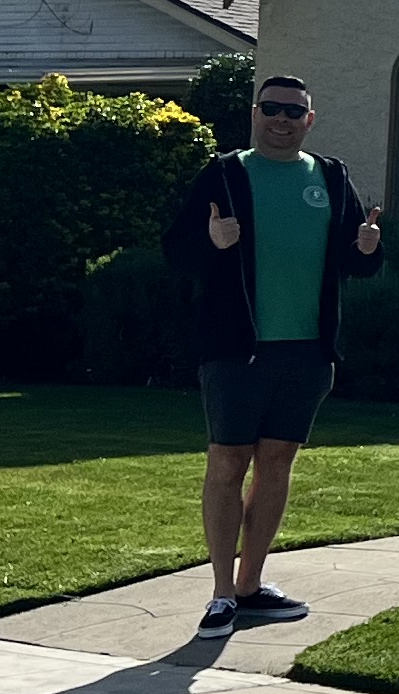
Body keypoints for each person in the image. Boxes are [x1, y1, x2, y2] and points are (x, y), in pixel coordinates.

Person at [160, 72, 383, 638]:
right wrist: (213, 243)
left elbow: (353, 261)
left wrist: (366, 249)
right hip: (237, 350)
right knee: (228, 463)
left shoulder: (330, 177)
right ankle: (219, 595)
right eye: (272, 109)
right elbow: (176, 252)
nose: (282, 120)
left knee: (277, 461)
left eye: (293, 112)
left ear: (309, 121)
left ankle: (250, 586)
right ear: (255, 114)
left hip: (307, 351)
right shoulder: (226, 175)